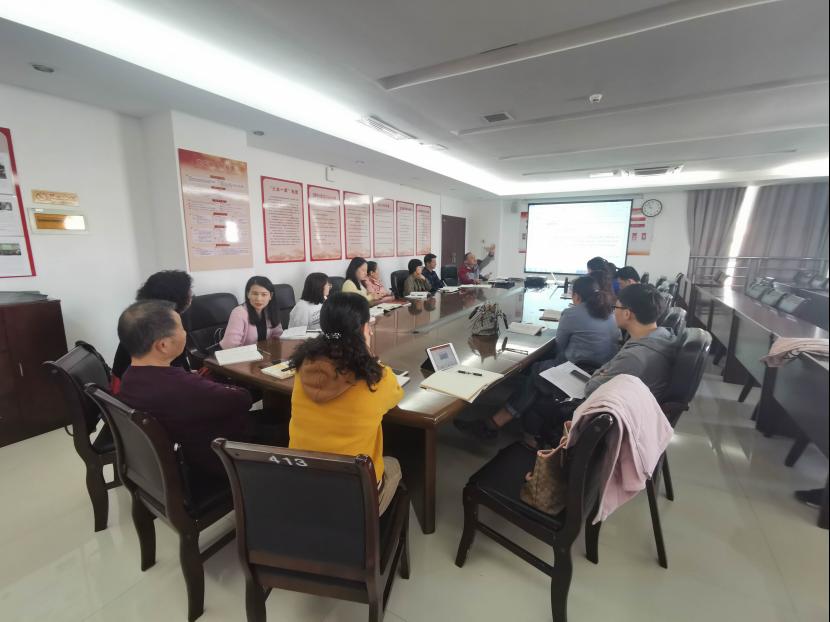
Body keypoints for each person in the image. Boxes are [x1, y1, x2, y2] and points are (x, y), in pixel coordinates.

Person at [457, 283, 678, 444]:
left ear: (628, 314)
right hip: (614, 395)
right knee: (540, 373)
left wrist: (599, 373)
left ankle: (497, 424)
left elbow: (593, 388)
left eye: (617, 308)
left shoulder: (637, 357)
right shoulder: (660, 337)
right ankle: (498, 422)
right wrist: (603, 371)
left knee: (538, 374)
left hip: (603, 408)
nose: (613, 312)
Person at [288, 293, 404, 515]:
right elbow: (396, 396)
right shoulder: (376, 378)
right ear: (363, 329)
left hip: (302, 483)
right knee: (394, 464)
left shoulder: (303, 367)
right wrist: (370, 357)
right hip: (353, 496)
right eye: (369, 326)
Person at [117, 300, 253, 482]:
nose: (185, 333)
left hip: (170, 460)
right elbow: (243, 399)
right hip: (215, 464)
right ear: (163, 345)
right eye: (181, 328)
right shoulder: (181, 387)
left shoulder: (129, 377)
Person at [112, 270, 193, 382]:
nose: (191, 295)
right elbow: (173, 378)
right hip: (145, 388)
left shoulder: (142, 320)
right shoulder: (164, 330)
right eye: (188, 291)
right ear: (176, 297)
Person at [551, 276, 620, 367]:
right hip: (607, 366)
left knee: (535, 366)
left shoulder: (570, 314)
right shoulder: (609, 311)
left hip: (579, 368)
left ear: (576, 296)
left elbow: (560, 345)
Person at [219, 276, 283, 349]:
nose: (259, 299)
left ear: (270, 296)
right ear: (248, 294)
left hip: (266, 353)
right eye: (255, 294)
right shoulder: (239, 313)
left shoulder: (270, 310)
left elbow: (278, 337)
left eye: (264, 294)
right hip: (242, 355)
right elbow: (229, 346)